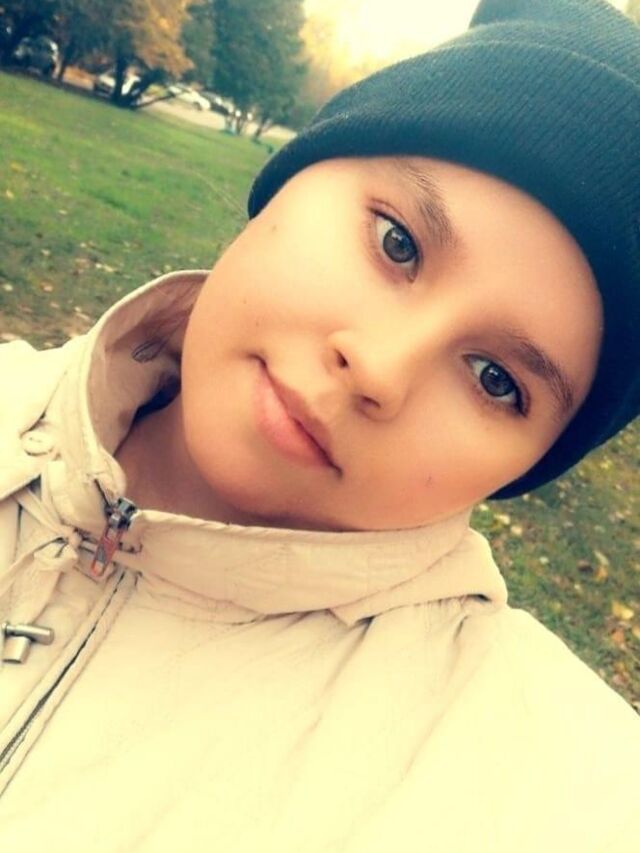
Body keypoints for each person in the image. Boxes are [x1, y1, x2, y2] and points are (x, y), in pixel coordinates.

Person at [0, 0, 639, 848]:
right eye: (398, 243)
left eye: (496, 380)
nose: (380, 368)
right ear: (293, 176)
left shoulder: (542, 775)